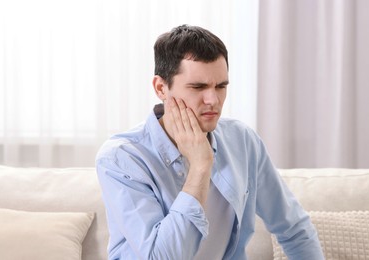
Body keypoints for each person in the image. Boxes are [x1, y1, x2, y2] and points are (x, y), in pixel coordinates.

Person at [96, 24, 324, 260]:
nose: (213, 99)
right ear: (161, 88)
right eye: (198, 87)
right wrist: (201, 166)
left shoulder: (242, 141)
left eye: (221, 86)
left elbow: (294, 229)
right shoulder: (122, 158)